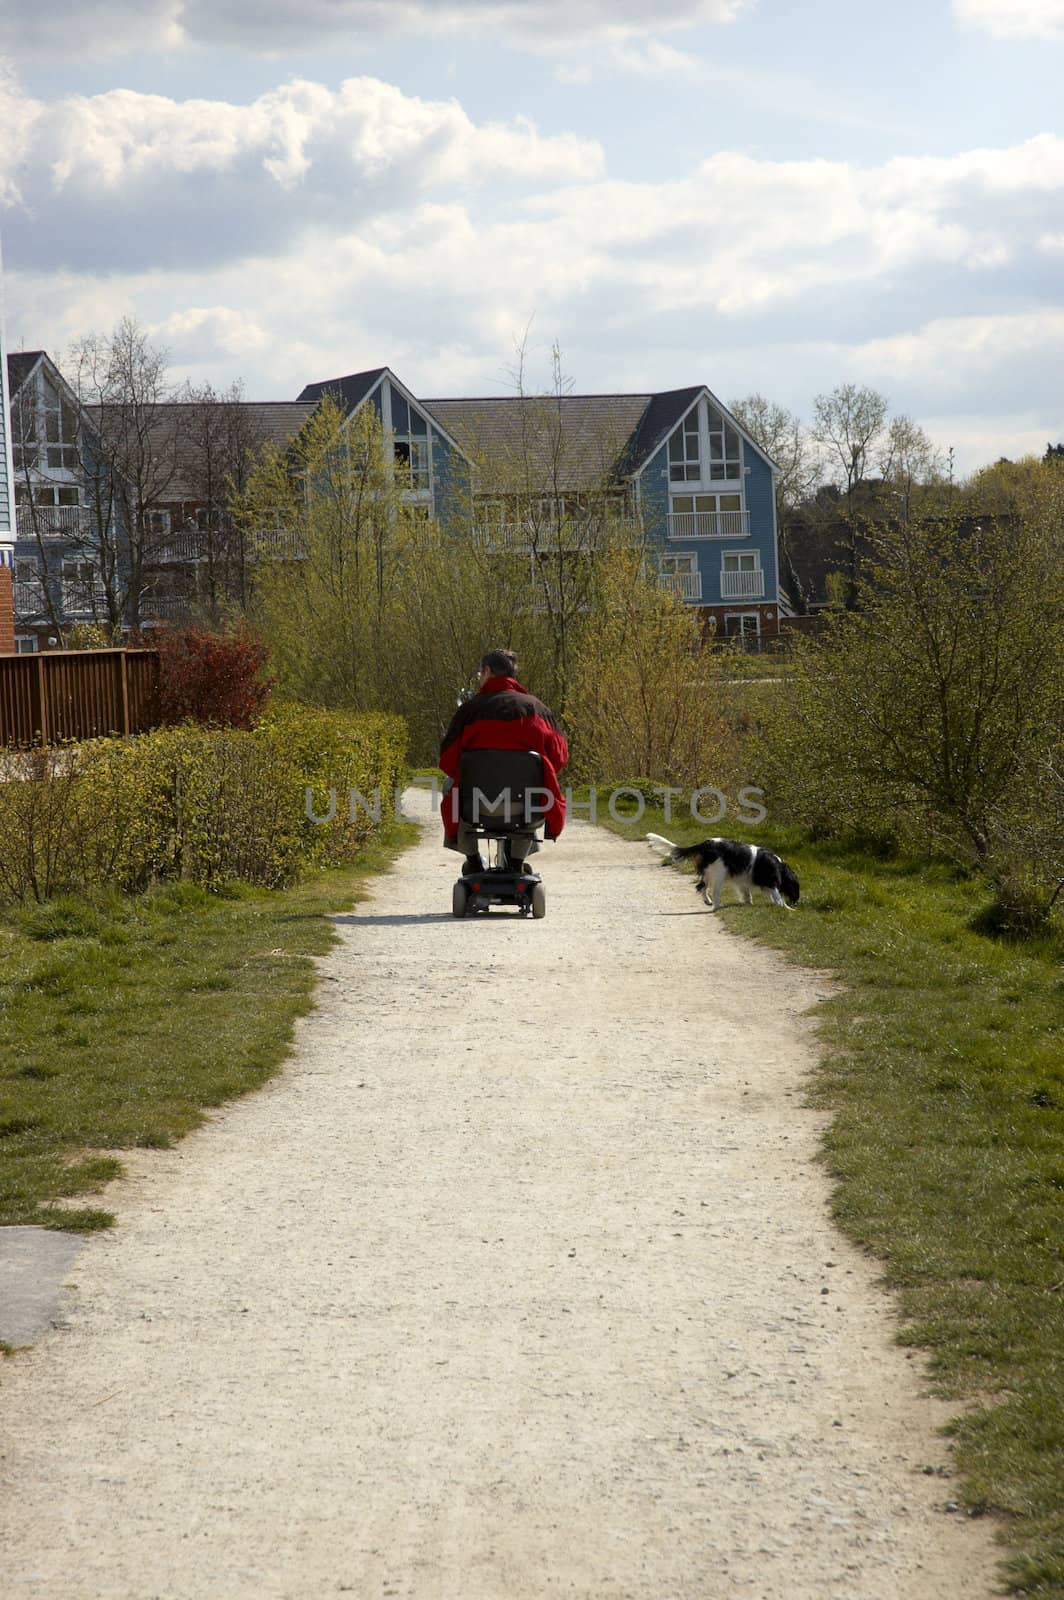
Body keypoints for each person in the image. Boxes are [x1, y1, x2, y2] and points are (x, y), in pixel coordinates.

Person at [439, 648, 569, 874]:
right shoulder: (537, 709)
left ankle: (473, 861)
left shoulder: (469, 710)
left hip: (476, 804)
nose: (480, 678)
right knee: (539, 784)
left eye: (480, 673)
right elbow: (559, 756)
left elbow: (447, 760)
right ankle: (517, 863)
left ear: (488, 672)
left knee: (449, 785)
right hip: (526, 803)